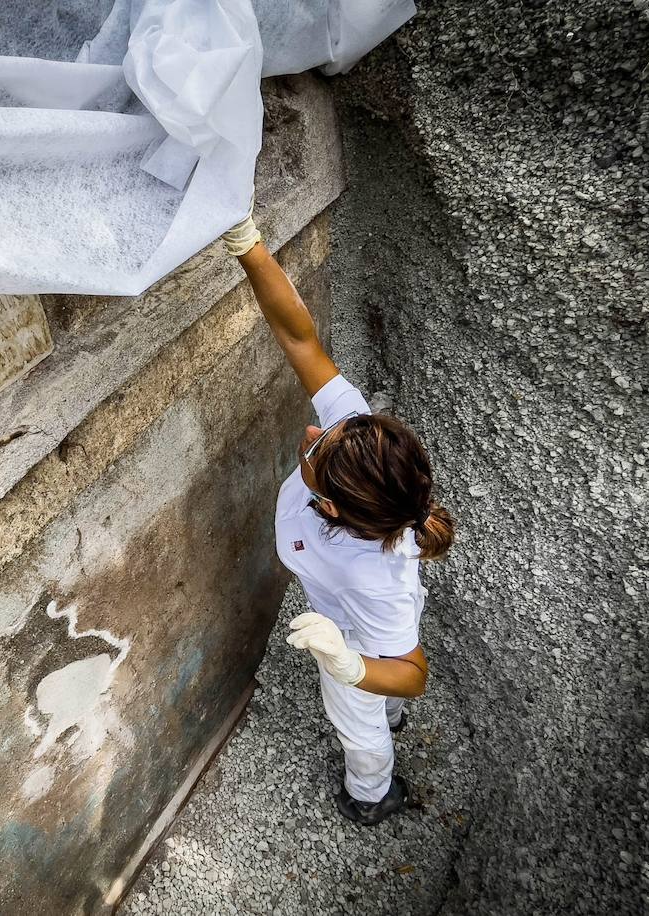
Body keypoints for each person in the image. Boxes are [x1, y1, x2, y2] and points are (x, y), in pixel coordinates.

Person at [221, 208, 456, 827]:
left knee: (358, 717)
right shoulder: (353, 436)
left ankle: (374, 794)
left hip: (351, 630)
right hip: (371, 611)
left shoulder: (371, 578)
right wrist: (250, 246)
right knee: (388, 660)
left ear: (328, 507)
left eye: (312, 453)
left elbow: (412, 673)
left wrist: (349, 664)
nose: (311, 430)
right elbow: (300, 338)